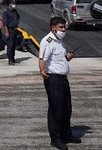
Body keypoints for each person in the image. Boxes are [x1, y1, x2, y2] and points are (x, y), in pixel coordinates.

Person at [39, 17, 80, 150]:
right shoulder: (47, 41)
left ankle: (66, 134)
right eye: (61, 27)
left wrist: (67, 57)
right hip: (53, 79)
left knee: (66, 107)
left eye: (64, 27)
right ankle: (55, 138)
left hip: (63, 78)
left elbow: (58, 59)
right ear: (53, 27)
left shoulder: (60, 41)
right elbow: (42, 58)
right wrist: (42, 71)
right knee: (56, 108)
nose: (64, 29)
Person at [2, 0, 20, 65]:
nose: (14, 5)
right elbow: (5, 23)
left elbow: (18, 17)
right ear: (9, 4)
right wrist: (6, 32)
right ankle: (10, 59)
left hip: (15, 30)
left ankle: (13, 58)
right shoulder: (6, 12)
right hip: (10, 30)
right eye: (13, 4)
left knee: (14, 45)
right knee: (10, 45)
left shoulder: (14, 11)